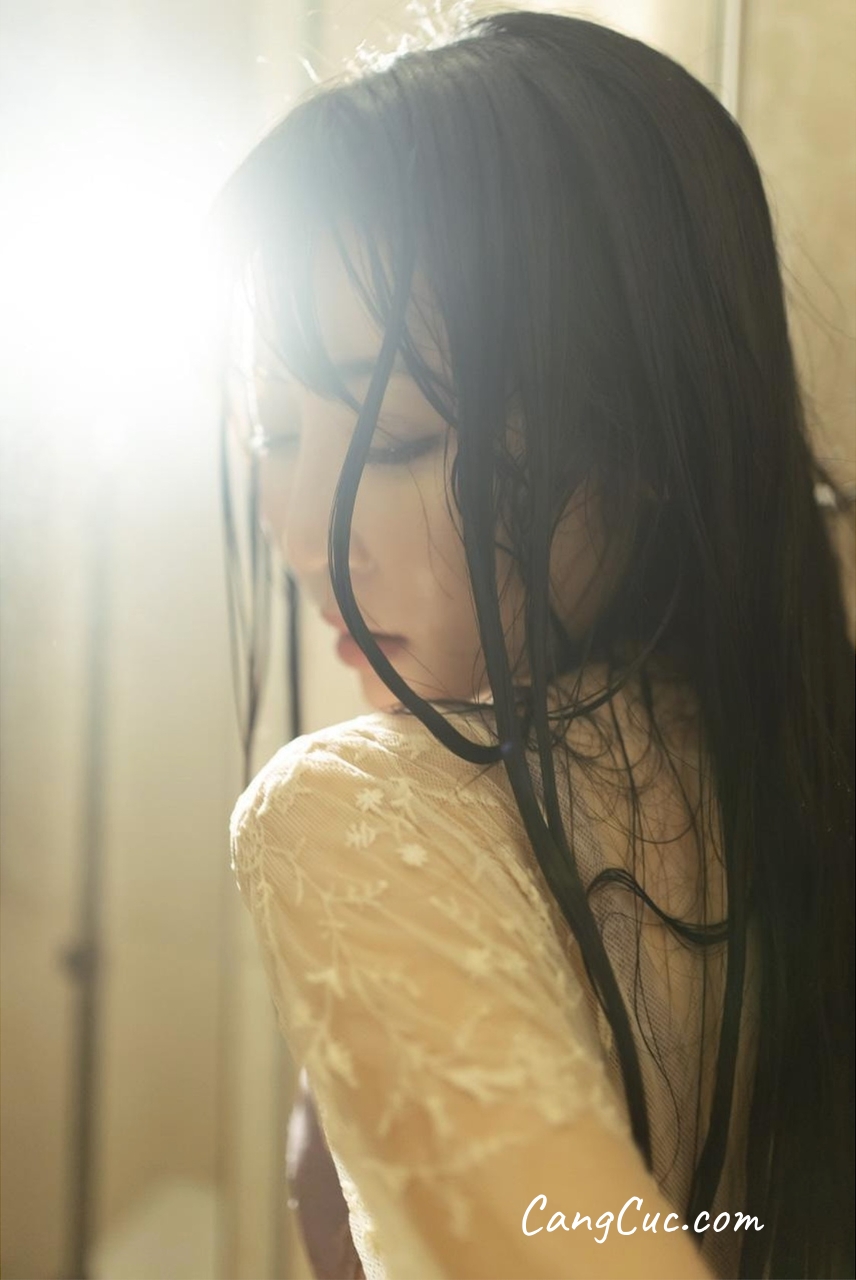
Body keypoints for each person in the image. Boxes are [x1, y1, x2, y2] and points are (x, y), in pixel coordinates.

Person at [214, 9, 855, 1278]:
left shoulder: (354, 810)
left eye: (397, 437)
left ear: (639, 436)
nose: (300, 532)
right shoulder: (801, 762)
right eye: (273, 434)